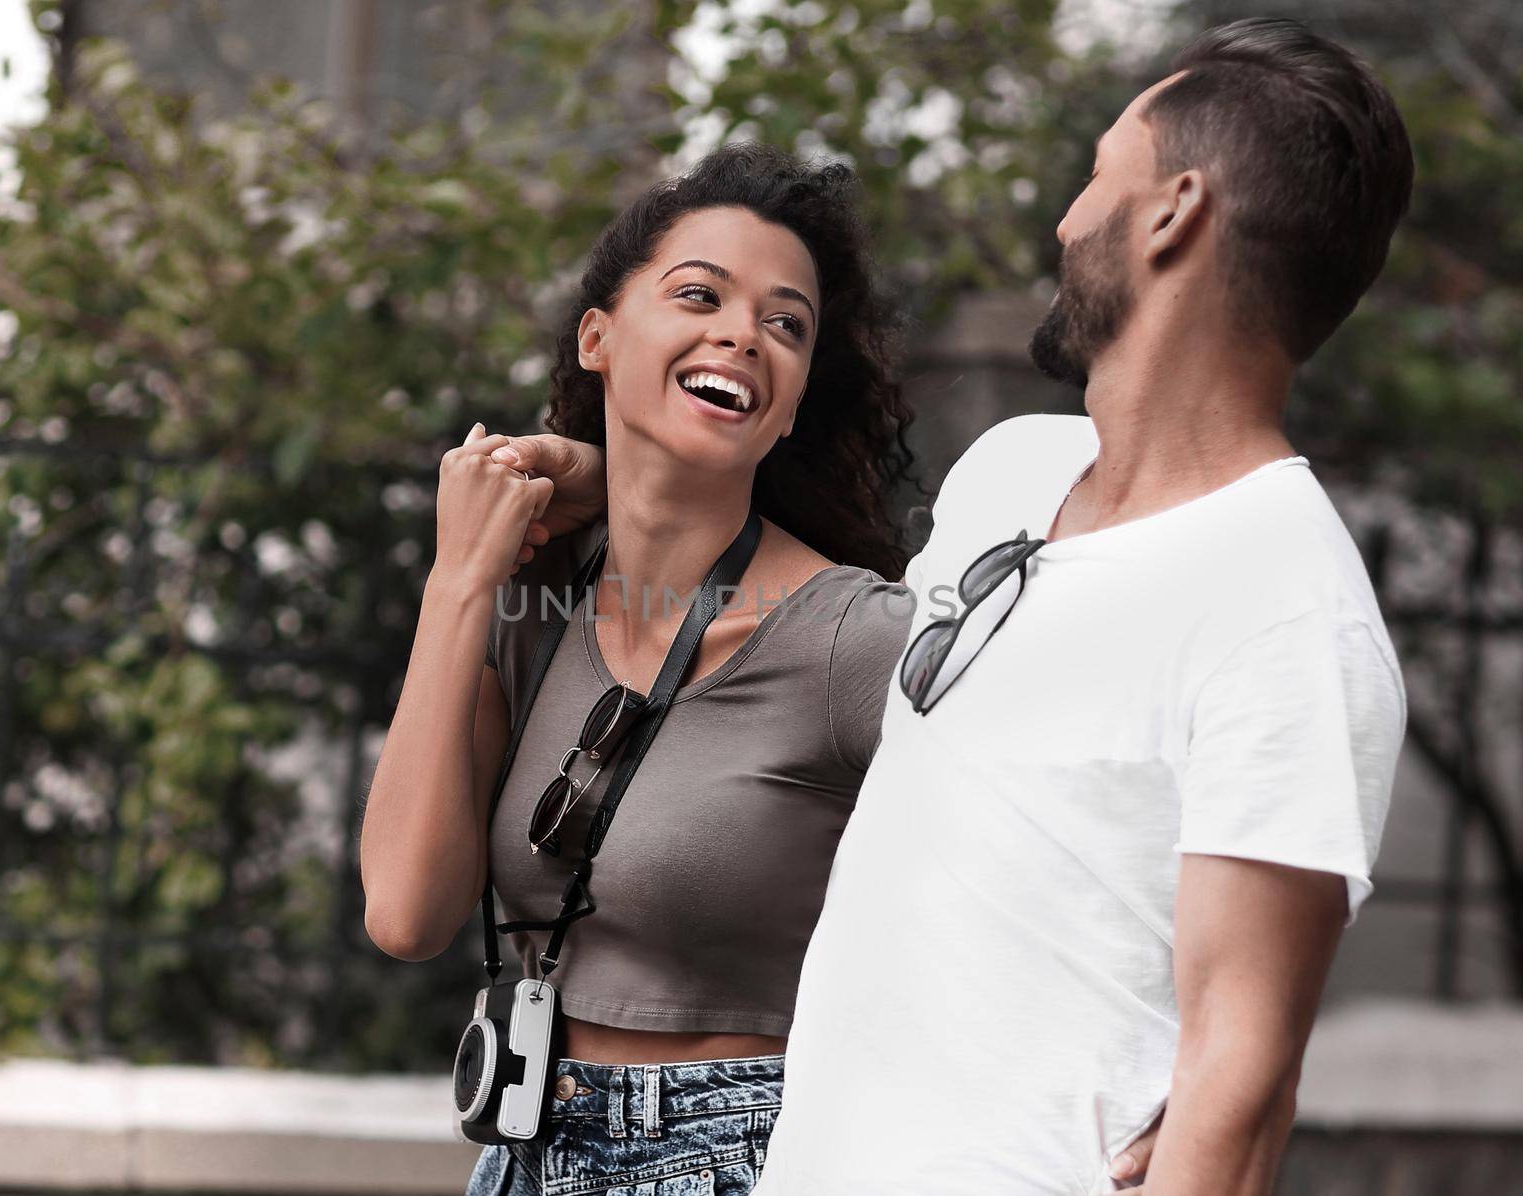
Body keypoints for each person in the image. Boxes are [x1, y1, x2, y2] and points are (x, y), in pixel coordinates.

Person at [510, 17, 1413, 1195]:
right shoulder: (1012, 474)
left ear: (1173, 211)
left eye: (1096, 176)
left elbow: (1237, 1087)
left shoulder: (1288, 607)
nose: (1063, 221)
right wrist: (622, 484)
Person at [359, 142, 923, 1195]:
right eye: (699, 293)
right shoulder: (527, 601)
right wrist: (459, 584)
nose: (740, 334)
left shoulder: (853, 635)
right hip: (525, 1150)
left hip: (744, 1152)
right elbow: (404, 909)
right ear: (598, 338)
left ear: (793, 401)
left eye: (784, 323)